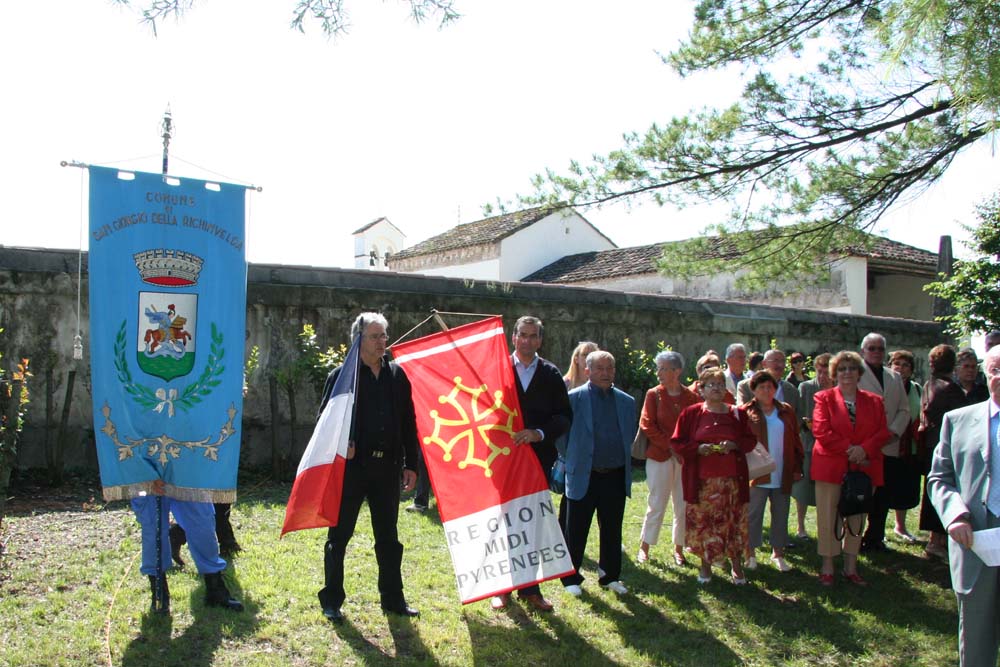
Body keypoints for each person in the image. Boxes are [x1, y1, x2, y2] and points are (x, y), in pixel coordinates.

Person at [317, 313, 420, 623]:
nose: (382, 342)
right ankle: (331, 600)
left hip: (387, 468)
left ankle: (393, 600)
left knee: (388, 539)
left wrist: (411, 464)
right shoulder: (341, 376)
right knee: (339, 537)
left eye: (384, 335)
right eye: (375, 336)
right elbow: (325, 421)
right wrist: (342, 443)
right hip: (352, 470)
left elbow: (409, 422)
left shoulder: (397, 375)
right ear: (358, 340)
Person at [492, 315, 572, 612]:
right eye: (522, 335)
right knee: (504, 522)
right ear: (513, 337)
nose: (527, 340)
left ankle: (530, 588)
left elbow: (564, 417)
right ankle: (502, 588)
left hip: (538, 460)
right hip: (501, 459)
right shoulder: (497, 369)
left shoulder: (550, 374)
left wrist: (538, 433)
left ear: (540, 340)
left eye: (533, 336)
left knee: (531, 522)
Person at [928, 345, 1000, 667]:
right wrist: (955, 515)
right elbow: (939, 478)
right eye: (996, 370)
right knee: (976, 642)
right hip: (975, 541)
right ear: (986, 374)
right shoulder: (957, 421)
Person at [558, 351, 635, 596]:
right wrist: (575, 459)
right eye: (599, 368)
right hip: (584, 473)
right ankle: (570, 577)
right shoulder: (573, 399)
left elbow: (629, 435)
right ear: (587, 371)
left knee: (612, 528)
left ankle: (610, 575)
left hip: (615, 475)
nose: (605, 373)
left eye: (609, 368)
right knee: (576, 528)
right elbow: (561, 438)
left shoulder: (627, 402)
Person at [811, 350, 890, 586]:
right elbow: (821, 431)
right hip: (831, 467)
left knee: (857, 517)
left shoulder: (875, 401)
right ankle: (827, 566)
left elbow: (882, 432)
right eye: (842, 369)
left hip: (864, 467)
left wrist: (864, 450)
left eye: (852, 368)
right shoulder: (823, 398)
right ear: (834, 373)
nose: (847, 373)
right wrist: (851, 450)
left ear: (859, 373)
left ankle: (851, 566)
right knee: (828, 517)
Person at [672, 367, 757, 584]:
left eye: (720, 384)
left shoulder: (737, 414)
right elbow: (677, 442)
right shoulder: (691, 414)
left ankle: (736, 566)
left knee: (733, 522)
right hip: (702, 483)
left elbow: (750, 441)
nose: (717, 388)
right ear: (701, 389)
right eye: (711, 384)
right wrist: (697, 449)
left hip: (732, 482)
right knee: (705, 524)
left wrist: (735, 445)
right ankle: (705, 566)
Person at [133, 482, 244, 615]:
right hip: (147, 475)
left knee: (202, 521)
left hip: (187, 473)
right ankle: (159, 596)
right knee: (153, 528)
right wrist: (147, 474)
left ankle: (215, 590)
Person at [637, 350, 701, 566]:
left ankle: (679, 549)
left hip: (684, 458)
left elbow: (696, 427)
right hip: (659, 456)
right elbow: (647, 424)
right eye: (659, 368)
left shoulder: (692, 397)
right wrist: (670, 446)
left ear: (677, 371)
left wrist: (683, 449)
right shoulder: (654, 394)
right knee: (656, 502)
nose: (659, 373)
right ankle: (645, 546)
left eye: (664, 369)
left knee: (682, 504)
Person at [741, 371, 804, 572]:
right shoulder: (745, 411)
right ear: (754, 390)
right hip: (758, 473)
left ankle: (778, 553)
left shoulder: (786, 410)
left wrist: (797, 467)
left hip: (782, 471)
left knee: (781, 513)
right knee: (753, 514)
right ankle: (750, 553)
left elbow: (796, 440)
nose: (766, 391)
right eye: (762, 387)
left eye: (770, 387)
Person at [856, 333, 913, 553]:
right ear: (863, 351)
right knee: (860, 493)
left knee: (883, 495)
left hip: (889, 445)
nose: (876, 352)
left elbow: (904, 410)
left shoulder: (894, 377)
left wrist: (894, 432)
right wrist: (870, 439)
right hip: (864, 446)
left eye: (880, 348)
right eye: (872, 348)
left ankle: (875, 538)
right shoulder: (854, 374)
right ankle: (853, 538)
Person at [918, 345, 968, 560]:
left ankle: (935, 539)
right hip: (945, 445)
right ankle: (935, 540)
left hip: (930, 443)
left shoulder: (929, 384)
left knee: (932, 490)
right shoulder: (951, 389)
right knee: (943, 489)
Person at [792, 353, 832, 538]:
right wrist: (806, 423)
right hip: (808, 443)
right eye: (819, 372)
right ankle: (800, 527)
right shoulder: (806, 387)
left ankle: (827, 526)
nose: (822, 376)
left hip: (832, 448)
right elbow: (798, 415)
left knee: (828, 488)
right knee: (803, 487)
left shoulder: (839, 390)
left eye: (826, 372)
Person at [888, 349, 923, 542]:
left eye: (905, 365)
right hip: (887, 445)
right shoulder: (885, 387)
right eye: (897, 364)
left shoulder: (917, 389)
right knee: (883, 489)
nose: (901, 368)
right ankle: (875, 529)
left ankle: (900, 526)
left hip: (910, 447)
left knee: (905, 487)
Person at [737, 349, 800, 415]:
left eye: (783, 361)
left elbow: (798, 416)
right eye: (776, 361)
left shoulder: (792, 390)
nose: (780, 365)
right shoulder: (745, 386)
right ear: (764, 364)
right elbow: (742, 412)